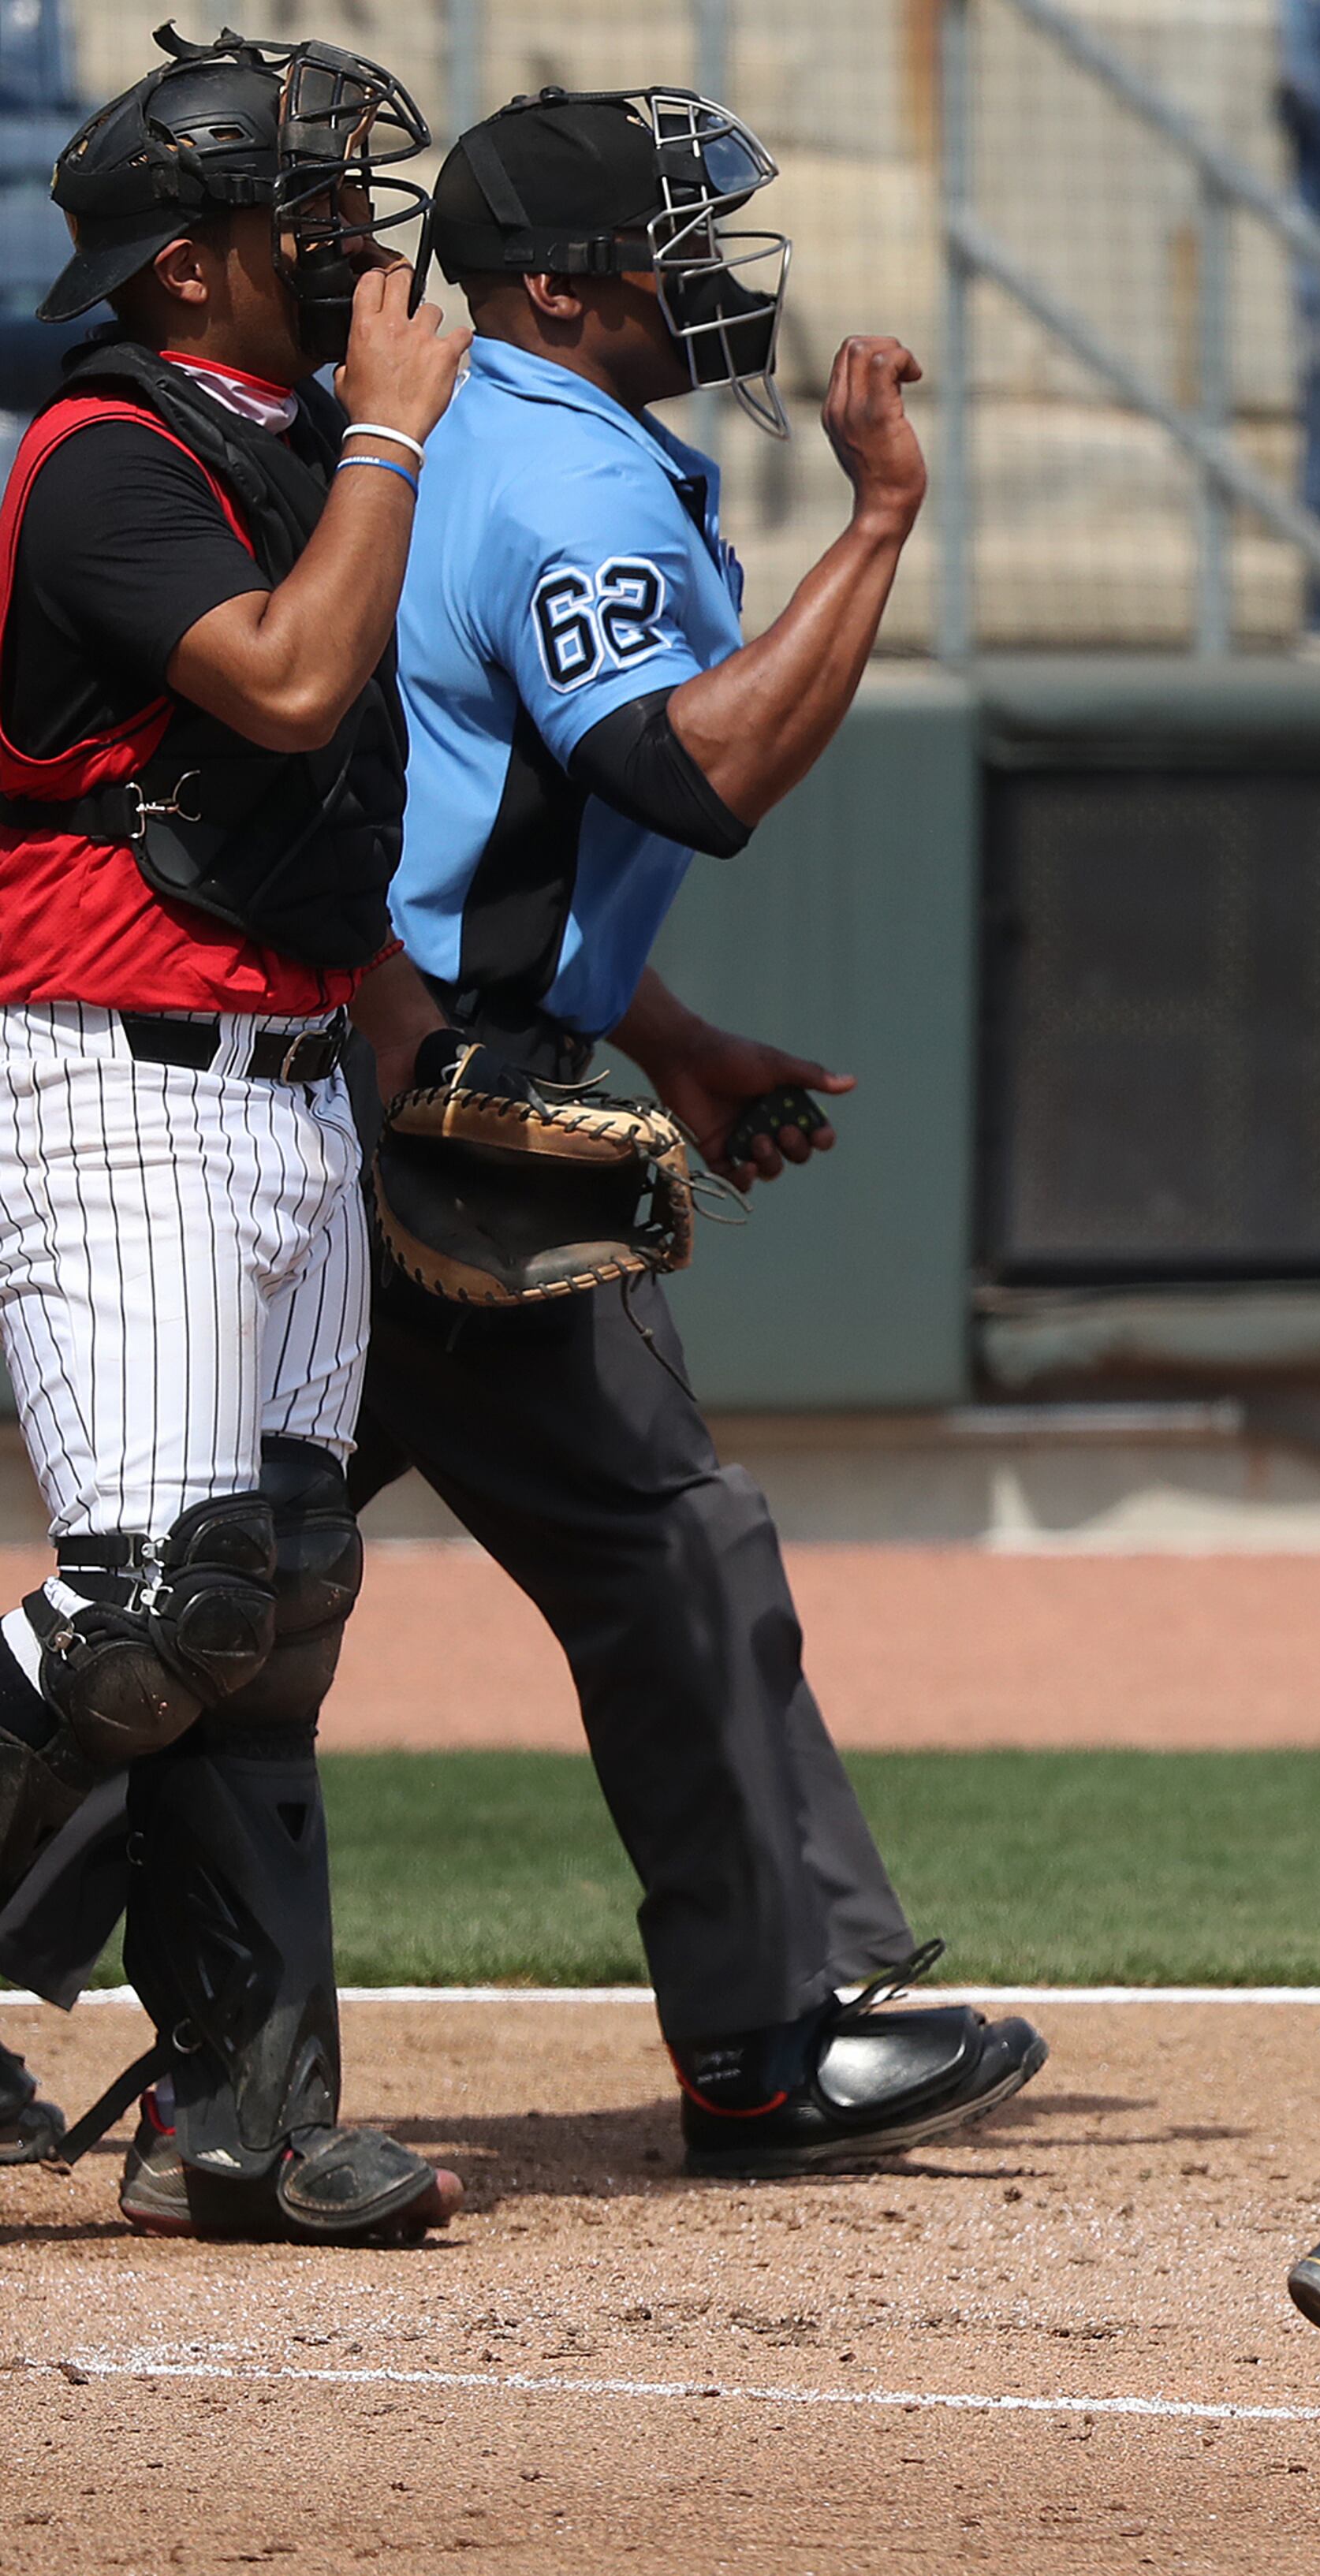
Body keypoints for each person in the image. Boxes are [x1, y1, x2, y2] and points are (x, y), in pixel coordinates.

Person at [352, 85, 1042, 2175]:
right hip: (425, 1103)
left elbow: (490, 834)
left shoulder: (466, 426)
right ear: (563, 288)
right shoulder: (564, 477)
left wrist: (677, 1035)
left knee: (236, 1584)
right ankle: (766, 2039)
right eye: (672, 238)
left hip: (396, 1056)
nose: (713, 272)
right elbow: (682, 773)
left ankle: (775, 2015)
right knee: (662, 1546)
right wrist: (885, 525)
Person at [0, 26, 471, 2240]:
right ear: (186, 269)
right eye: (297, 204)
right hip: (113, 1078)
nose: (349, 230)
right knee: (146, 1611)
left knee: (273, 1602)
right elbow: (282, 683)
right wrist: (390, 434)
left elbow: (310, 811)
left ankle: (246, 2123)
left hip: (283, 1090)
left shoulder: (290, 446)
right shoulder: (106, 451)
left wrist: (414, 1044)